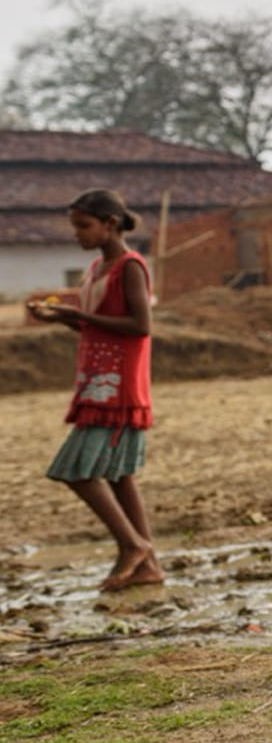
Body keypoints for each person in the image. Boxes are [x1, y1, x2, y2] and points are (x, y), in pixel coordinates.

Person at [25, 189, 164, 592]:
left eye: (83, 226)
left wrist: (78, 314)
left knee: (73, 471)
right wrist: (62, 318)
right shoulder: (95, 270)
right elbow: (98, 323)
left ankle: (131, 544)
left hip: (118, 385)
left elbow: (141, 326)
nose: (78, 234)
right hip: (96, 381)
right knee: (119, 476)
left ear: (110, 224)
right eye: (75, 227)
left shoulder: (129, 268)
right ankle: (148, 564)